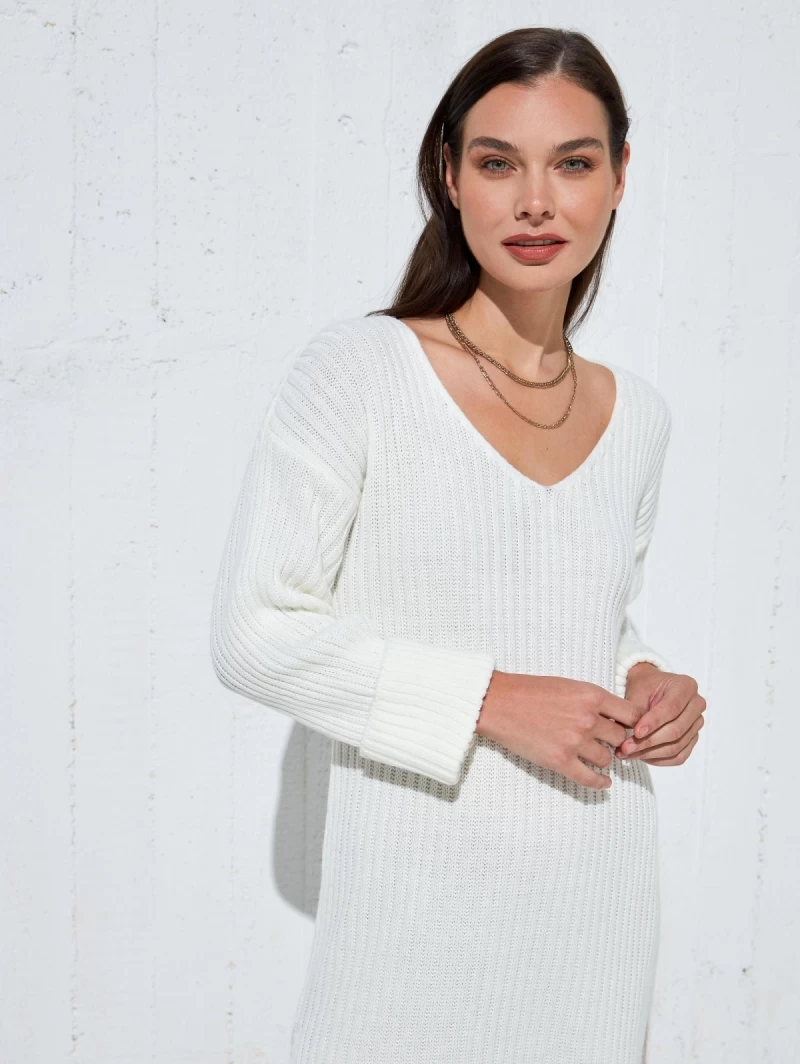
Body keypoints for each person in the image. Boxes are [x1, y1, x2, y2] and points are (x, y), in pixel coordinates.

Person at [210, 26, 707, 1064]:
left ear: (620, 177)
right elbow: (255, 632)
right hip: (414, 911)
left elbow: (594, 614)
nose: (536, 202)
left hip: (599, 904)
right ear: (448, 175)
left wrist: (646, 679)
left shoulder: (638, 417)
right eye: (498, 163)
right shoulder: (359, 371)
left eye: (573, 163)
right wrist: (489, 698)